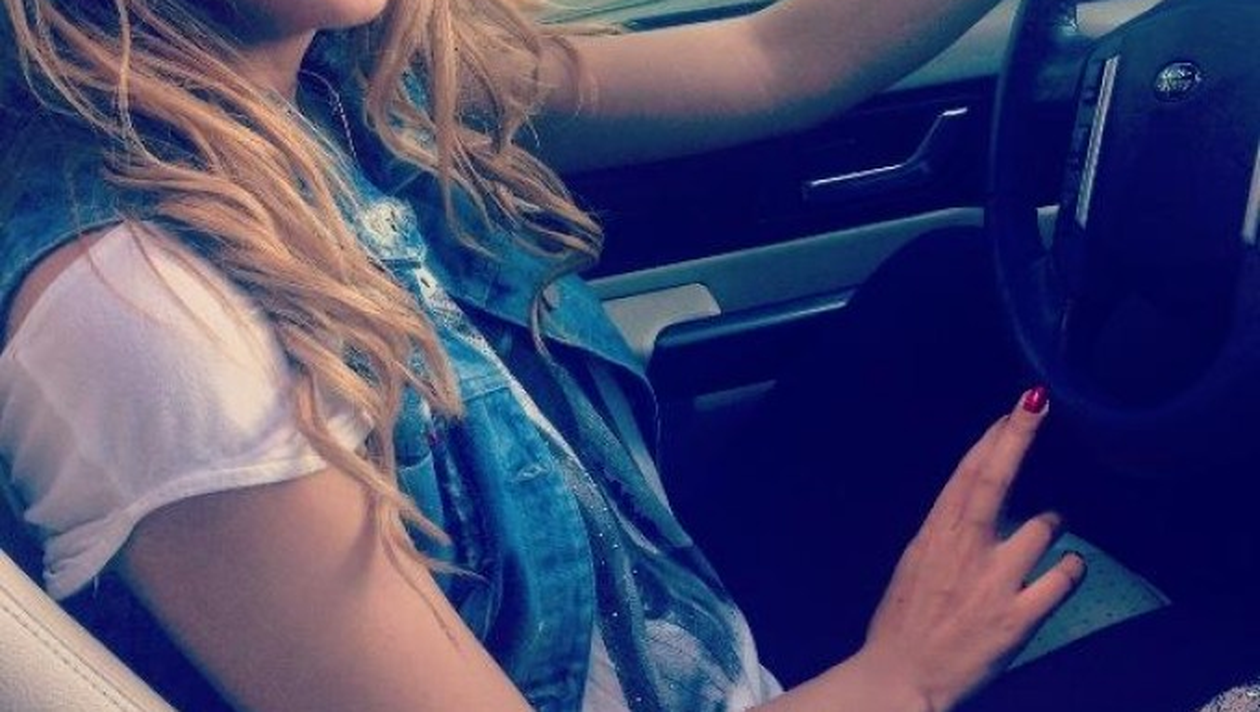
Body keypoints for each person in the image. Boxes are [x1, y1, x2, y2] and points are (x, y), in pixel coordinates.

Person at [0, 0, 1086, 710]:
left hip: (673, 642)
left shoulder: (346, 83)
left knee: (952, 295)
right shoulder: (138, 311)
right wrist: (902, 677)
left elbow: (773, 63)